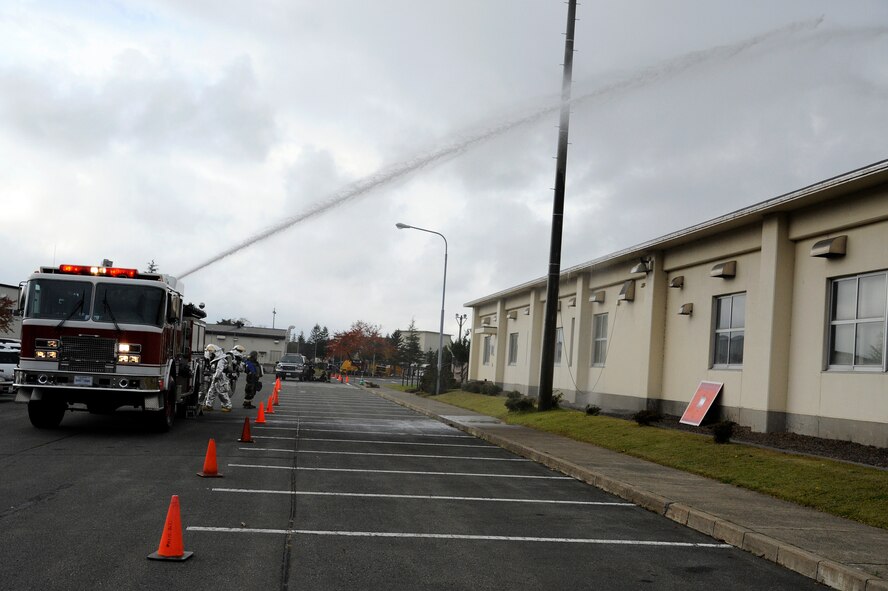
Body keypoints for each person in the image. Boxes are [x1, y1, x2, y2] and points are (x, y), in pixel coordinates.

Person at [203, 343, 233, 412]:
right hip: (216, 377)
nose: (210, 354)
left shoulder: (221, 360)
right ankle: (209, 405)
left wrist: (215, 377)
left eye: (211, 352)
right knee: (211, 391)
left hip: (220, 378)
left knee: (222, 392)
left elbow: (219, 370)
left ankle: (228, 406)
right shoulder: (216, 360)